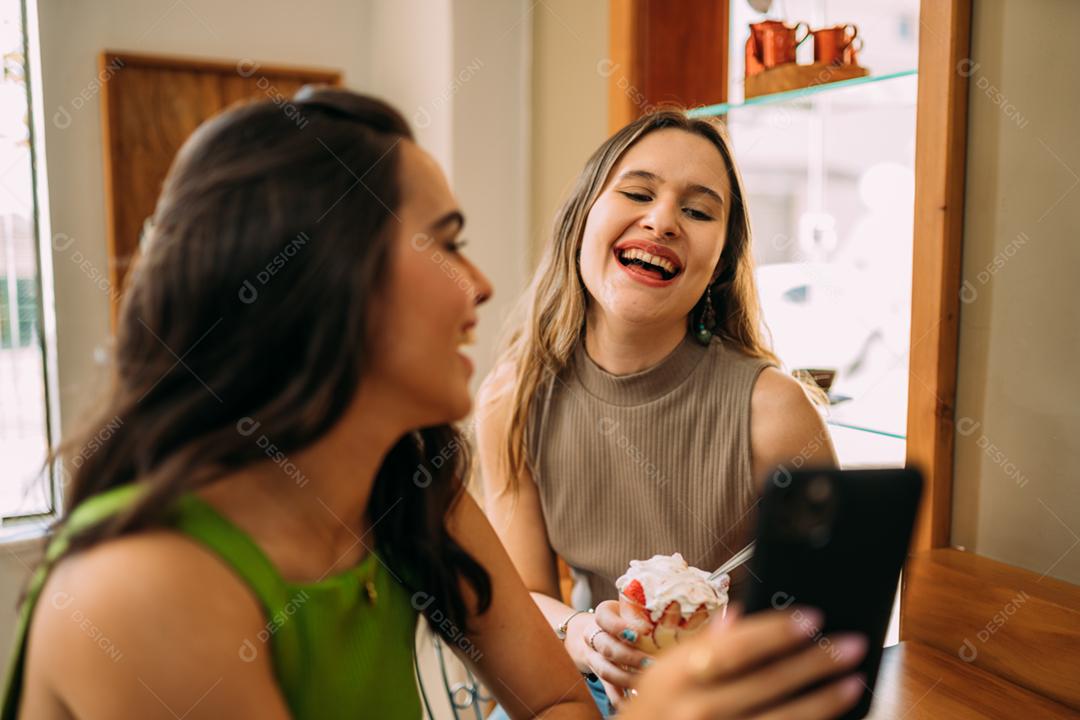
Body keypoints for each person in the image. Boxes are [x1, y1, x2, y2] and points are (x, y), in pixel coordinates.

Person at [1, 89, 863, 720]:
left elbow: (559, 708)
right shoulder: (147, 588)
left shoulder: (415, 482)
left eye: (698, 209)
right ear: (324, 280)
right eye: (444, 243)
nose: (483, 285)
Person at [477, 109, 839, 712]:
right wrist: (585, 633)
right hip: (589, 681)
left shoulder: (773, 409)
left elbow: (827, 618)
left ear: (720, 262)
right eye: (638, 193)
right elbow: (525, 598)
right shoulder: (511, 399)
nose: (664, 220)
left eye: (698, 211)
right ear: (581, 220)